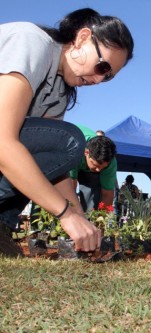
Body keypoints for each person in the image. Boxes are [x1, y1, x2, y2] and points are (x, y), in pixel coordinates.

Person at [0, 8, 134, 256]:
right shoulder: (32, 41)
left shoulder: (58, 93)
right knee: (71, 141)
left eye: (107, 77)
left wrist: (81, 220)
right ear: (82, 38)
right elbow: (3, 142)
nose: (97, 80)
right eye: (102, 65)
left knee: (62, 146)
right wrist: (65, 213)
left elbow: (54, 166)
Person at [70, 125, 117, 213]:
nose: (98, 170)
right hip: (66, 157)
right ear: (86, 152)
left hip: (86, 168)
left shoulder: (111, 162)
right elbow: (70, 187)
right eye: (96, 165)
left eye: (103, 167)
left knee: (93, 201)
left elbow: (107, 194)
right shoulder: (73, 151)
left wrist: (102, 220)